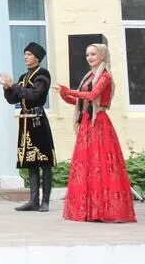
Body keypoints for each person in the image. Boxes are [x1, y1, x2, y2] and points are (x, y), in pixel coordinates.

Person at [55, 43, 137, 223]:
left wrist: (71, 91)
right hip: (87, 122)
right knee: (87, 166)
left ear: (102, 56)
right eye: (87, 54)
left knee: (101, 165)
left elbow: (93, 96)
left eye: (93, 54)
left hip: (98, 123)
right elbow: (80, 102)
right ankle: (90, 210)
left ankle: (106, 210)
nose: (89, 57)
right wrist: (64, 94)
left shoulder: (105, 76)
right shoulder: (89, 76)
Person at [0, 42, 56, 212]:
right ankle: (33, 200)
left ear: (37, 57)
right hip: (26, 121)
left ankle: (45, 201)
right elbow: (13, 99)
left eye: (28, 54)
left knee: (44, 161)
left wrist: (13, 86)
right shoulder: (23, 77)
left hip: (37, 119)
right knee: (31, 162)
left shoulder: (42, 75)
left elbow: (34, 94)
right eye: (25, 54)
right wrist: (7, 87)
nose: (25, 57)